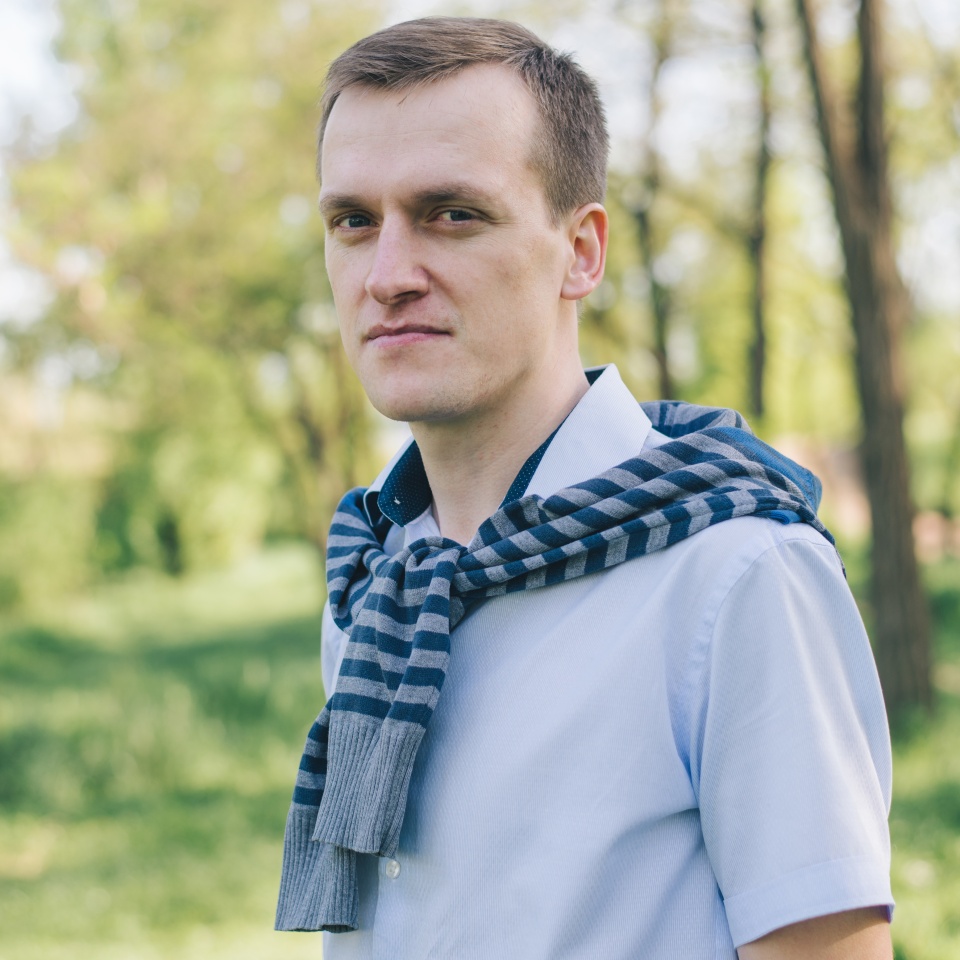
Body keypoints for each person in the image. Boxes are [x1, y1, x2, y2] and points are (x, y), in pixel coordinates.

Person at [276, 16, 894, 960]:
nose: (388, 275)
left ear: (582, 252)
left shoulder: (737, 576)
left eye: (453, 213)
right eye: (353, 221)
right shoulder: (381, 587)